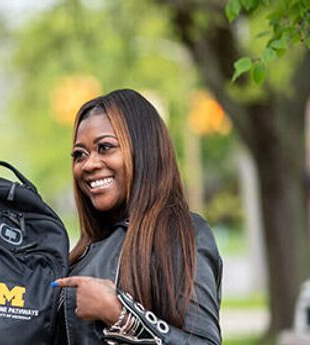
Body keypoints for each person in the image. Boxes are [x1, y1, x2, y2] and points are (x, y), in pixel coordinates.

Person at [52, 89, 222, 344]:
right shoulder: (86, 251)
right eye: (79, 154)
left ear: (143, 150)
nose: (88, 165)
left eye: (105, 147)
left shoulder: (180, 233)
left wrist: (120, 315)